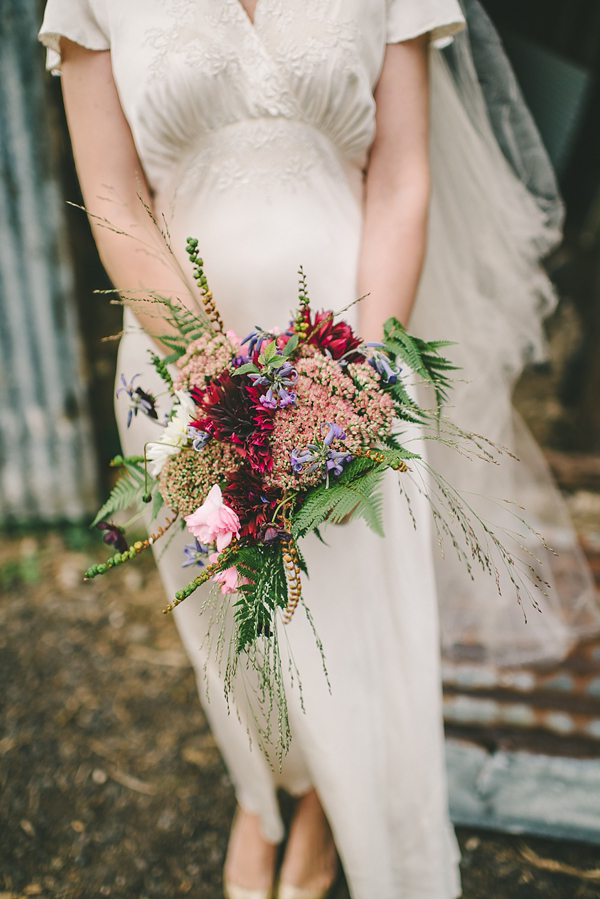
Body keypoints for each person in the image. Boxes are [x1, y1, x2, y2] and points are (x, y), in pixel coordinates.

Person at [37, 1, 598, 897]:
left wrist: (364, 380)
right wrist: (210, 376)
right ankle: (270, 790)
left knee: (353, 619)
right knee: (235, 625)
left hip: (351, 356)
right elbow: (109, 193)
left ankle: (334, 809)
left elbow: (402, 174)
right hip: (185, 372)